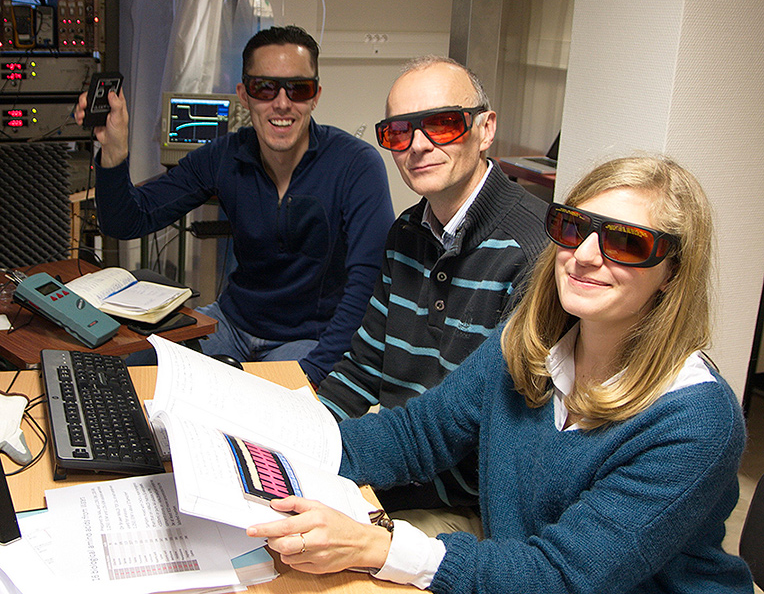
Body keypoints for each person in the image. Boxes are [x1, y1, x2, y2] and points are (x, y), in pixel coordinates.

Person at [248, 156, 754, 593]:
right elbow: (416, 435)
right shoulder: (525, 341)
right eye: (574, 228)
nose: (583, 256)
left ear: (673, 275)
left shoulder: (695, 420)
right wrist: (265, 448)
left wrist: (377, 547)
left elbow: (562, 578)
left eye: (626, 243)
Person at [75, 26, 394, 384]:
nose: (282, 103)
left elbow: (368, 284)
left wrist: (313, 374)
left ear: (315, 95)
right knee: (126, 374)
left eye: (298, 89)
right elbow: (127, 221)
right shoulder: (224, 156)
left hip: (306, 340)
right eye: (265, 88)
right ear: (244, 94)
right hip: (229, 323)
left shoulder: (355, 165)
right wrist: (114, 151)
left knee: (256, 422)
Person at [315, 56, 547, 533]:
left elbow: (486, 434)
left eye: (442, 124)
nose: (418, 145)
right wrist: (303, 430)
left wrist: (334, 461)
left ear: (486, 129)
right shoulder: (406, 231)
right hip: (398, 465)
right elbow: (363, 368)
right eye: (399, 132)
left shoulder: (535, 252)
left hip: (475, 506)